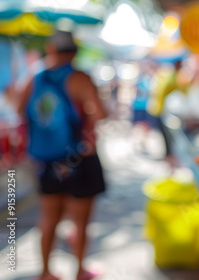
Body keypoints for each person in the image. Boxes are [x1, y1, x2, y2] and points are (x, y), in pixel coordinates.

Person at [16, 31, 107, 280]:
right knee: (81, 221)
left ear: (51, 48)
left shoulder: (33, 77)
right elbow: (100, 113)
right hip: (78, 158)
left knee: (48, 218)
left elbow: (19, 110)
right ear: (74, 52)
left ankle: (45, 272)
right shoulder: (79, 77)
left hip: (46, 159)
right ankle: (79, 270)